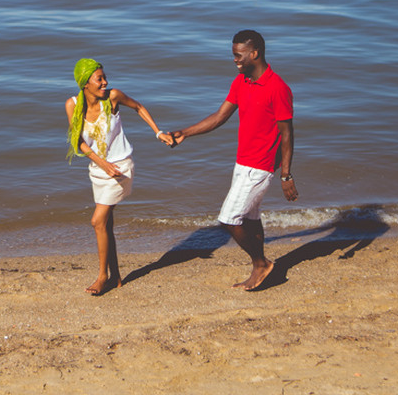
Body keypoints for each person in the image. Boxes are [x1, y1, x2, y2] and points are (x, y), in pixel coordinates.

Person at [171, 30, 298, 291]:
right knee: (251, 218)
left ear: (255, 53)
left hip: (260, 166)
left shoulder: (278, 88)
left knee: (229, 219)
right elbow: (219, 117)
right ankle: (260, 268)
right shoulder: (242, 82)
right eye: (233, 55)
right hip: (242, 163)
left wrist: (286, 175)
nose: (235, 60)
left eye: (238, 55)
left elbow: (288, 134)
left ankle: (261, 262)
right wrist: (184, 133)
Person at [65, 58, 173, 295]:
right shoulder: (72, 105)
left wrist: (158, 133)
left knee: (97, 221)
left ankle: (103, 276)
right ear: (85, 84)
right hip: (98, 170)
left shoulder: (113, 97)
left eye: (104, 77)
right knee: (106, 223)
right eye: (99, 79)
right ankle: (116, 276)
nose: (105, 82)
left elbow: (138, 107)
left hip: (121, 167)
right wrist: (101, 163)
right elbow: (78, 142)